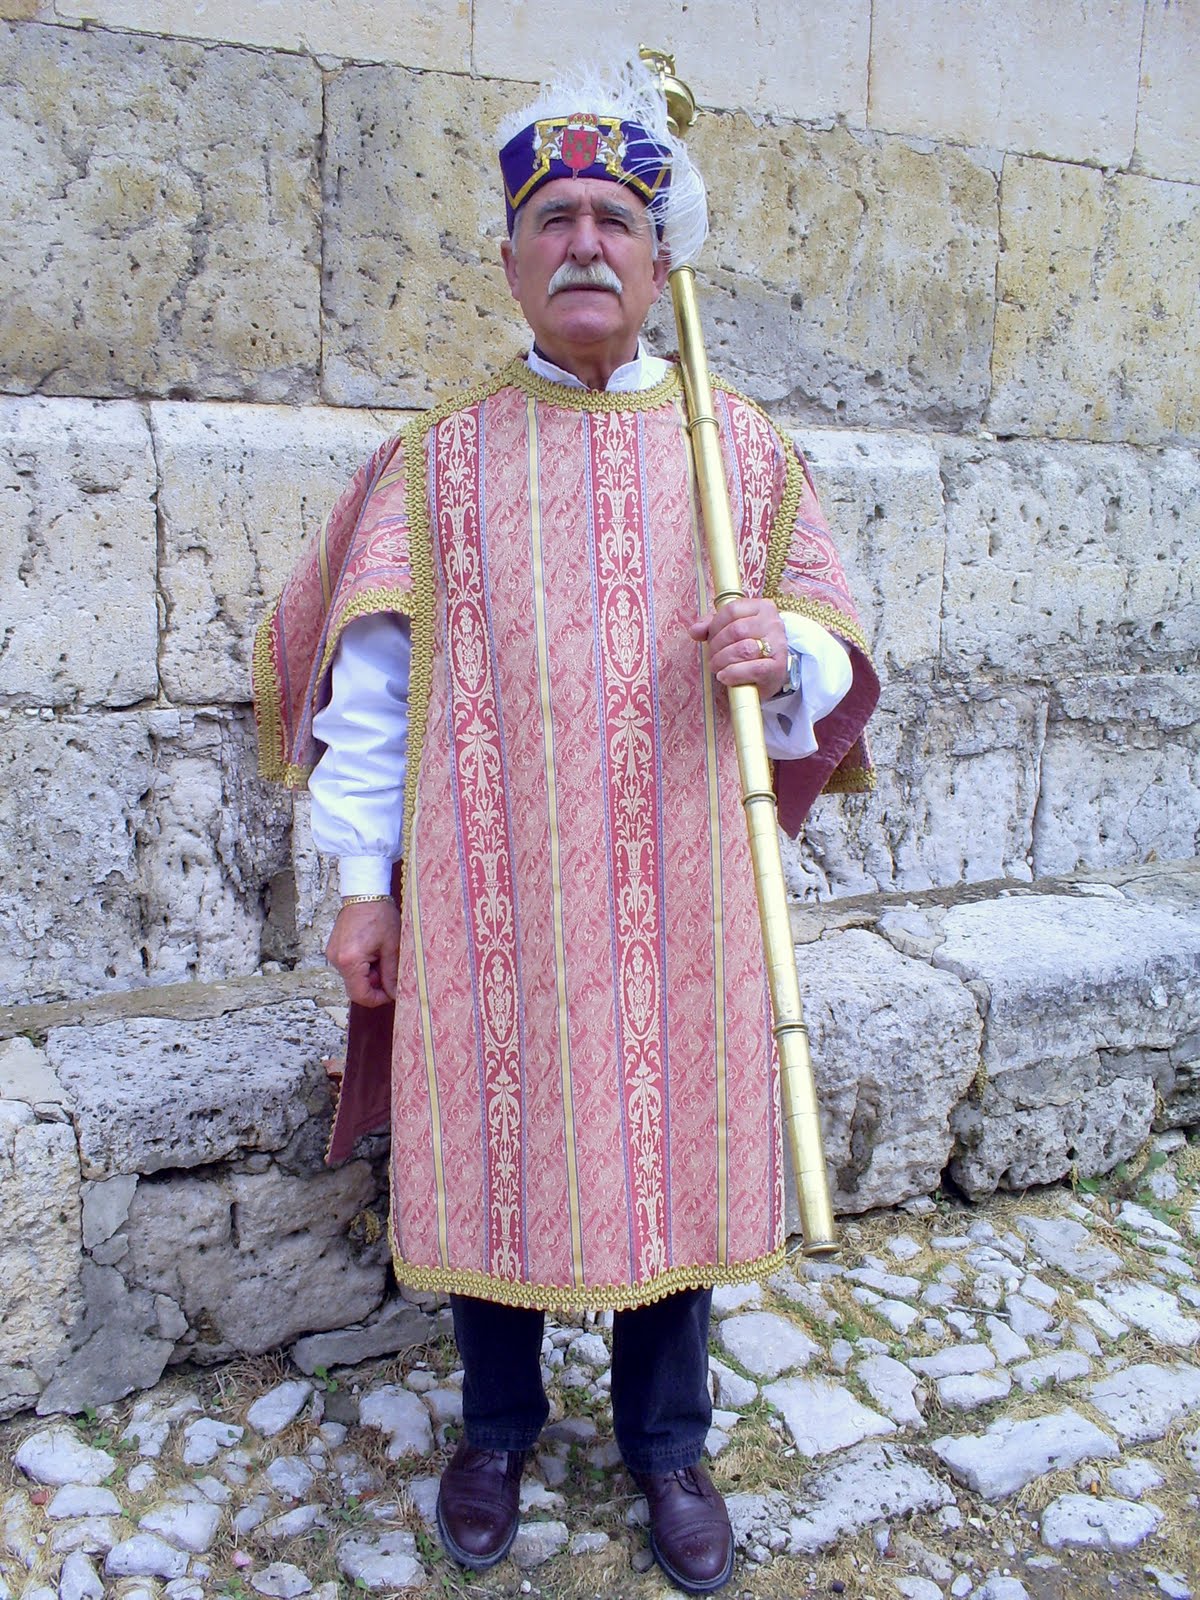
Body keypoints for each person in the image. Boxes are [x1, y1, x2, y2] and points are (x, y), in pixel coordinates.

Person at [254, 57, 878, 1597]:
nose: (586, 242)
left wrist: (779, 655)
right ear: (509, 256)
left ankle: (671, 1444)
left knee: (677, 1144)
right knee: (496, 1139)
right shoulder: (439, 459)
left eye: (617, 216)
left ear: (665, 261)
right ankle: (496, 1427)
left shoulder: (737, 455)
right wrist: (360, 886)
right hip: (492, 880)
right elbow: (371, 692)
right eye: (553, 218)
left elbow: (835, 651)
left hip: (686, 873)